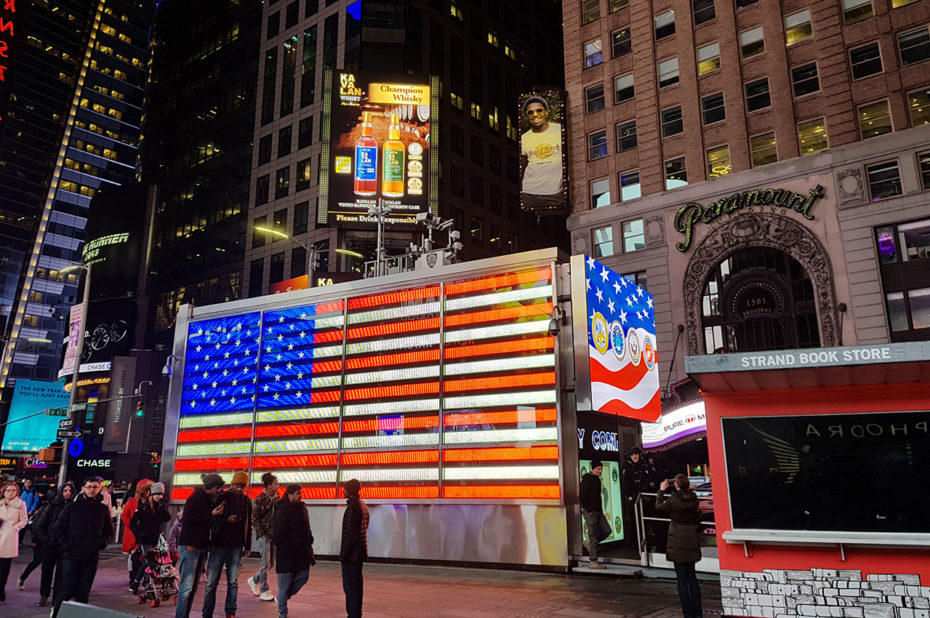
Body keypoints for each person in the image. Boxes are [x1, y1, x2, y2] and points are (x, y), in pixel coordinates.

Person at [51, 476, 113, 618]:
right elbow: (58, 528)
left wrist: (101, 543)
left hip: (91, 556)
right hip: (71, 555)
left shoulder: (102, 509)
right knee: (66, 590)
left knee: (83, 593)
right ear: (83, 489)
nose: (92, 490)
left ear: (100, 489)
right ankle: (57, 614)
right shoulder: (71, 507)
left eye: (95, 487)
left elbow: (109, 530)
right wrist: (67, 545)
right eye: (89, 487)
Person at [202, 470, 252, 618]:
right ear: (231, 484)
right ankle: (207, 613)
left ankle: (230, 611)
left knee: (233, 581)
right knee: (212, 582)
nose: (240, 489)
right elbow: (213, 518)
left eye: (242, 487)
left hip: (236, 544)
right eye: (237, 486)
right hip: (219, 543)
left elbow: (248, 524)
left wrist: (247, 545)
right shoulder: (221, 498)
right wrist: (226, 519)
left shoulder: (246, 501)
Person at [175, 473, 225, 618]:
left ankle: (184, 615)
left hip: (200, 545)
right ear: (211, 487)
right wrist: (212, 514)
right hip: (192, 545)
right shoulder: (196, 498)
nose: (219, 491)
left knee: (192, 587)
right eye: (217, 488)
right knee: (187, 587)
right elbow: (189, 519)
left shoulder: (207, 499)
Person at [656, 474, 703, 618]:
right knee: (692, 578)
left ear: (676, 485)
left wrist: (661, 490)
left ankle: (688, 613)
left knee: (681, 579)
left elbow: (658, 507)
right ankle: (698, 612)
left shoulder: (673, 500)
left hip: (677, 540)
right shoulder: (694, 499)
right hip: (691, 538)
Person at [273, 484, 313, 618]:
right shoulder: (282, 512)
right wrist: (288, 550)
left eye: (300, 493)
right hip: (287, 556)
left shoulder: (302, 509)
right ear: (289, 495)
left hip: (302, 553)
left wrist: (309, 539)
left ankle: (282, 597)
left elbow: (307, 527)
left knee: (303, 576)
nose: (300, 495)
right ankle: (282, 613)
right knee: (284, 585)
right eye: (297, 493)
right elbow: (278, 536)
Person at [519, 95, 564, 211]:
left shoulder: (559, 131)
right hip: (529, 193)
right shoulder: (524, 138)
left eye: (539, 110)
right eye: (530, 112)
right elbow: (522, 166)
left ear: (546, 112)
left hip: (555, 193)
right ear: (527, 116)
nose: (535, 115)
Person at [34, 482, 74, 607]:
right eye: (65, 490)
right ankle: (44, 595)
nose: (68, 493)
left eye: (70, 491)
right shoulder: (52, 507)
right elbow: (40, 526)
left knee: (61, 574)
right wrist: (47, 540)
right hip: (50, 545)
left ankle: (57, 599)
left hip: (65, 546)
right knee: (47, 571)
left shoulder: (74, 507)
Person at [129, 482, 170, 595]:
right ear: (152, 494)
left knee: (154, 562)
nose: (158, 497)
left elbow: (167, 518)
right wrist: (139, 535)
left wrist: (163, 506)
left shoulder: (159, 507)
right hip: (144, 539)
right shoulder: (143, 507)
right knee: (148, 562)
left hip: (155, 539)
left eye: (161, 494)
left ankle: (147, 583)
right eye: (156, 494)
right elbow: (133, 523)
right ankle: (137, 582)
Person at [339, 478, 368, 618]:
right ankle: (356, 613)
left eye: (345, 489)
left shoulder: (353, 508)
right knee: (356, 586)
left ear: (349, 491)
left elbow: (351, 535)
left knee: (350, 588)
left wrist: (344, 555)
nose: (343, 491)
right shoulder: (362, 505)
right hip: (359, 553)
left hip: (351, 556)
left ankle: (353, 614)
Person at [248, 472, 278, 602]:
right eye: (275, 483)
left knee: (271, 564)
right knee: (265, 563)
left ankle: (254, 579)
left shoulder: (277, 498)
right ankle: (264, 590)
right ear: (269, 485)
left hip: (274, 534)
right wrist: (261, 533)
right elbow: (256, 518)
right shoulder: (260, 499)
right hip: (264, 534)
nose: (278, 485)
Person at [18, 487, 52, 591]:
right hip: (40, 541)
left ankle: (46, 583)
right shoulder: (44, 509)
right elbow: (35, 525)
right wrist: (35, 539)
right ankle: (22, 578)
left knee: (48, 565)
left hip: (52, 542)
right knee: (37, 561)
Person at [0, 481, 29, 601]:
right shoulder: (0, 503)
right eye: (8, 490)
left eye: (13, 490)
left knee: (4, 567)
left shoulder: (20, 504)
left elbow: (24, 520)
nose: (10, 493)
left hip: (9, 538)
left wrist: (15, 528)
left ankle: (1, 588)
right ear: (3, 492)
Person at [579, 460, 610, 569]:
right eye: (598, 469)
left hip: (598, 511)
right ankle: (593, 561)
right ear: (593, 469)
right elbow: (582, 496)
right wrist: (588, 509)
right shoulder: (587, 480)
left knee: (607, 530)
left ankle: (589, 544)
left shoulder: (596, 480)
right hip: (590, 511)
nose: (600, 471)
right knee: (593, 535)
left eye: (601, 469)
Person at [121, 478, 151, 587]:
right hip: (132, 534)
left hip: (145, 534)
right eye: (146, 490)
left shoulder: (151, 502)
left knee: (146, 558)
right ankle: (133, 579)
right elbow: (124, 516)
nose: (148, 492)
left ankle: (142, 580)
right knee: (134, 557)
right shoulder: (132, 502)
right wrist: (132, 526)